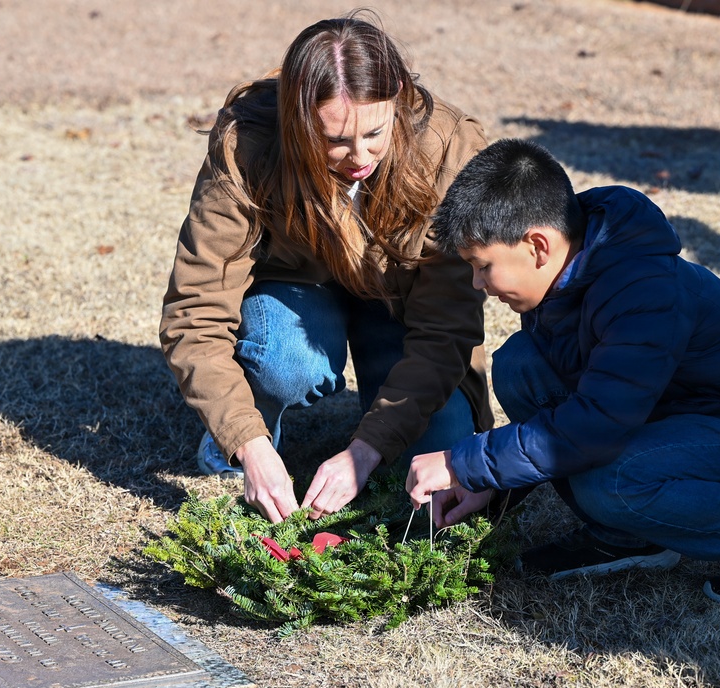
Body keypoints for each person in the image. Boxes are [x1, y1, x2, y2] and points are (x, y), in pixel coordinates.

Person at [406, 138, 720, 607]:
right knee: (521, 366)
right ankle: (631, 536)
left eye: (483, 266)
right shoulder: (564, 273)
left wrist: (463, 463)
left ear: (538, 245)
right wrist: (492, 481)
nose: (478, 283)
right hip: (670, 410)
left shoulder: (642, 292)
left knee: (611, 484)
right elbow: (577, 411)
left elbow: (593, 425)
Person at [160, 12, 494, 524]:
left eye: (375, 132)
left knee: (441, 462)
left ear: (399, 95)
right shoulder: (249, 144)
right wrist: (247, 444)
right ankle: (252, 425)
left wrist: (366, 451)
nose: (358, 156)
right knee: (285, 363)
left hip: (401, 305)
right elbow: (196, 310)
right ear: (296, 122)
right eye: (334, 140)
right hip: (297, 291)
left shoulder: (450, 151)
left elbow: (447, 329)